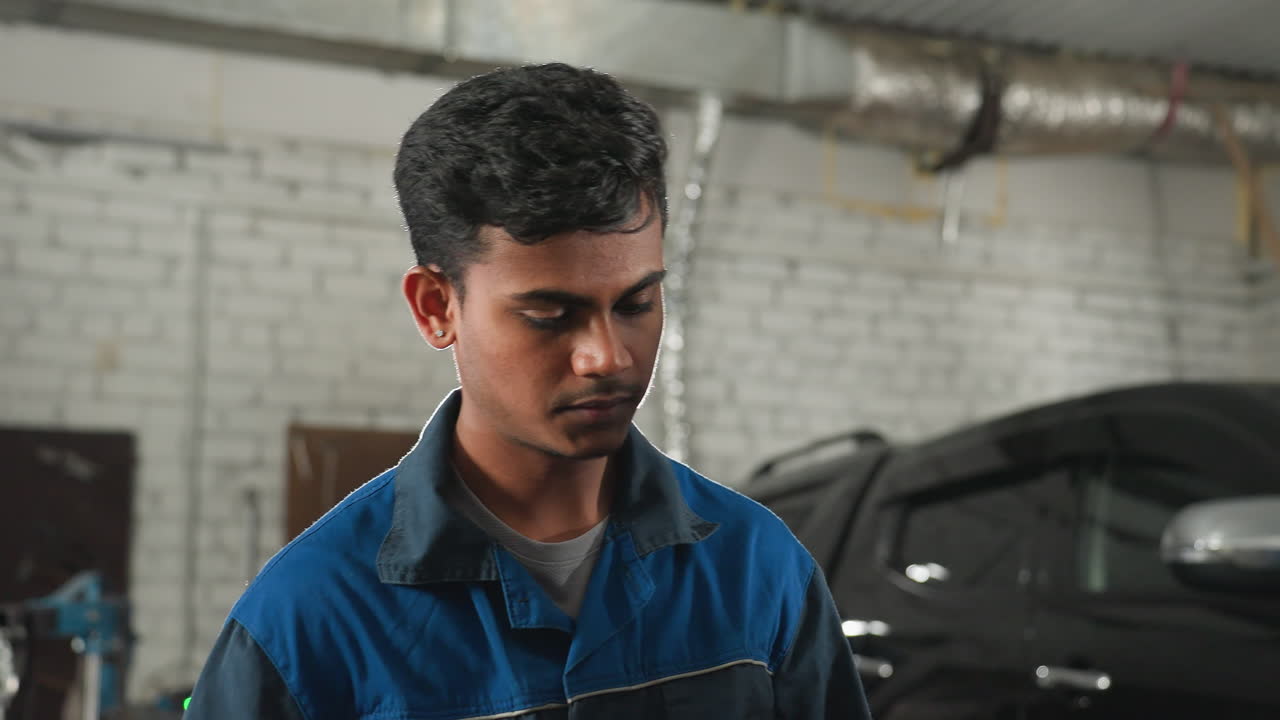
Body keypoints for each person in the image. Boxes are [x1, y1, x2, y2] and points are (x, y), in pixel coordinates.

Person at [184, 62, 871, 719]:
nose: (606, 356)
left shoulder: (757, 571)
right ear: (435, 308)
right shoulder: (308, 619)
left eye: (636, 304)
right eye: (550, 315)